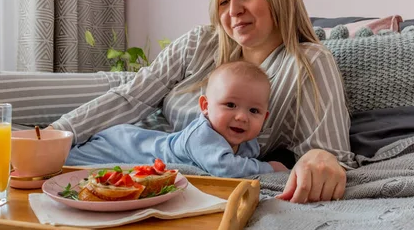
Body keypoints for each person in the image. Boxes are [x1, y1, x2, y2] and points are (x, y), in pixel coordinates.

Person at [0, 0, 355, 203]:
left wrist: (322, 158)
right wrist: (55, 137)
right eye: (222, 0)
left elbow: (330, 152)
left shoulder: (307, 63)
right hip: (128, 98)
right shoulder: (201, 42)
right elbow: (133, 95)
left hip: (140, 138)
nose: (232, 11)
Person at [65, 61, 289, 178]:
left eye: (254, 111)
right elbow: (225, 168)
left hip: (138, 140)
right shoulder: (203, 134)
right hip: (123, 146)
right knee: (64, 163)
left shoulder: (247, 140)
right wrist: (269, 168)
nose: (242, 117)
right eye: (230, 105)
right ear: (205, 107)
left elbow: (244, 159)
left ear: (265, 117)